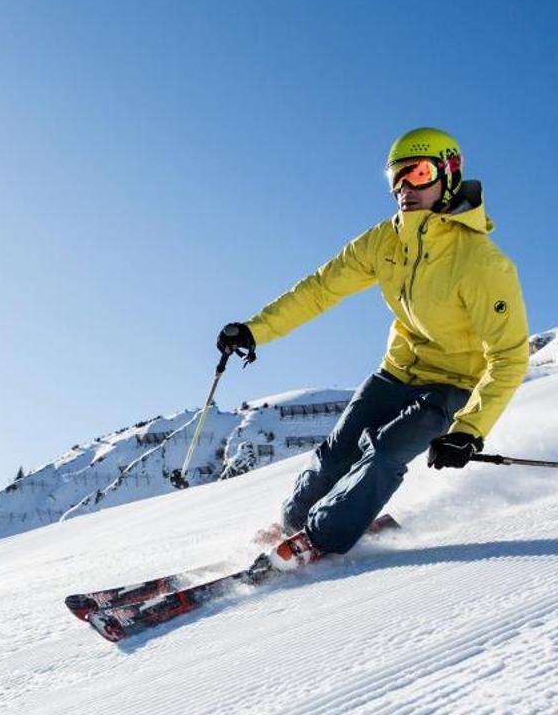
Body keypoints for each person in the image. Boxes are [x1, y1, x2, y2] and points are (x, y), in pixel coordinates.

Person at [217, 127, 529, 561]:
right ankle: (293, 526)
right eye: (396, 178)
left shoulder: (482, 262)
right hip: (398, 371)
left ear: (449, 174)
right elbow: (320, 290)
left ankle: (323, 540)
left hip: (456, 383)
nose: (405, 188)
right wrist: (256, 330)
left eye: (418, 173)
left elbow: (510, 356)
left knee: (383, 453)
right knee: (335, 454)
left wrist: (469, 431)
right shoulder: (385, 241)